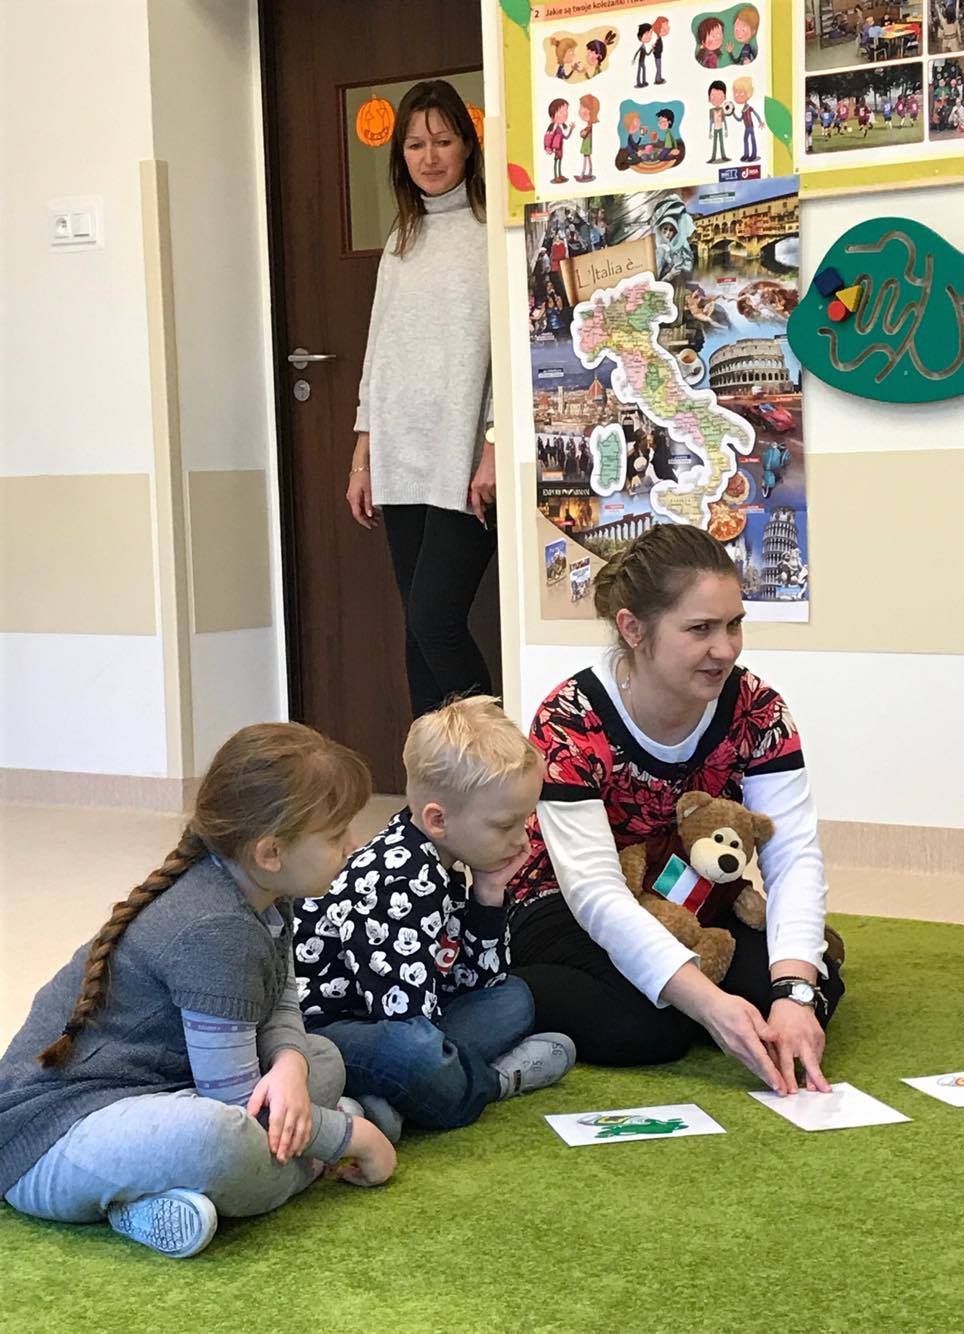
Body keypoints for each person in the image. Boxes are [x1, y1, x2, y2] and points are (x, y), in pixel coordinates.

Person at [0, 724, 398, 1259]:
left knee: (321, 1057)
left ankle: (154, 1198)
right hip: (49, 1143)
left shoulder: (265, 890)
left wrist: (289, 1064)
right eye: (335, 835)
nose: (354, 844)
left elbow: (280, 996)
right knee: (218, 1138)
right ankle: (300, 1165)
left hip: (165, 1090)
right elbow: (234, 1104)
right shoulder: (216, 930)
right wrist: (350, 1137)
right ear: (271, 851)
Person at [507, 524, 845, 1093]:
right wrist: (709, 1003)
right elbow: (594, 892)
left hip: (690, 898)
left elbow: (793, 856)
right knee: (645, 1030)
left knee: (807, 988)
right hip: (560, 903)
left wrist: (793, 992)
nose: (726, 649)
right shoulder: (570, 719)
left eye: (734, 624)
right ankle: (495, 985)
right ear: (633, 629)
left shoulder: (758, 708)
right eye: (700, 629)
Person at [294, 697, 576, 1137]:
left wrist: (488, 895)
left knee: (514, 998)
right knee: (415, 1053)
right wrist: (433, 1049)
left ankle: (389, 1100)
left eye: (526, 821)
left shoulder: (447, 860)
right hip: (330, 1028)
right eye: (506, 825)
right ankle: (494, 1082)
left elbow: (476, 982)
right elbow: (404, 1018)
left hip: (409, 1018)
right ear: (438, 820)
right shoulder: (397, 878)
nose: (522, 840)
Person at [347, 82, 496, 721]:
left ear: (467, 145)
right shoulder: (402, 238)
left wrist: (493, 444)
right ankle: (432, 773)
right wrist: (363, 455)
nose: (429, 157)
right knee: (416, 628)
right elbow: (378, 349)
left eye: (442, 140)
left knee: (436, 619)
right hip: (401, 451)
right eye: (414, 144)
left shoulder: (493, 231)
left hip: (465, 454)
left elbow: (511, 350)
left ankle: (496, 764)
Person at [576, 95, 599, 182]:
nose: (579, 110)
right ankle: (590, 171)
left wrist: (582, 132)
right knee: (588, 157)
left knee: (586, 158)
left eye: (582, 107)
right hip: (587, 143)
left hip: (587, 144)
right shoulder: (588, 126)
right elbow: (583, 133)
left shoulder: (589, 126)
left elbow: (583, 134)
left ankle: (583, 174)